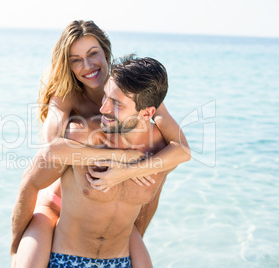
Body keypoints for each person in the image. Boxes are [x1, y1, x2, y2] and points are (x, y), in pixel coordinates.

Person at [11, 20, 191, 267]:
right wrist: (123, 157)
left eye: (93, 54)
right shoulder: (67, 98)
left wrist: (133, 169)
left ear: (106, 53)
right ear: (68, 65)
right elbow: (50, 149)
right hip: (58, 201)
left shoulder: (138, 93)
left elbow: (181, 150)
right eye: (75, 59)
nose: (87, 65)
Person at [51, 55, 171, 266]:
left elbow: (151, 200)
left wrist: (127, 171)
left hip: (120, 260)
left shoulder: (161, 151)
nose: (103, 108)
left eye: (116, 103)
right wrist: (16, 247)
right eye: (105, 97)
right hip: (66, 258)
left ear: (147, 112)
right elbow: (45, 159)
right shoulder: (82, 134)